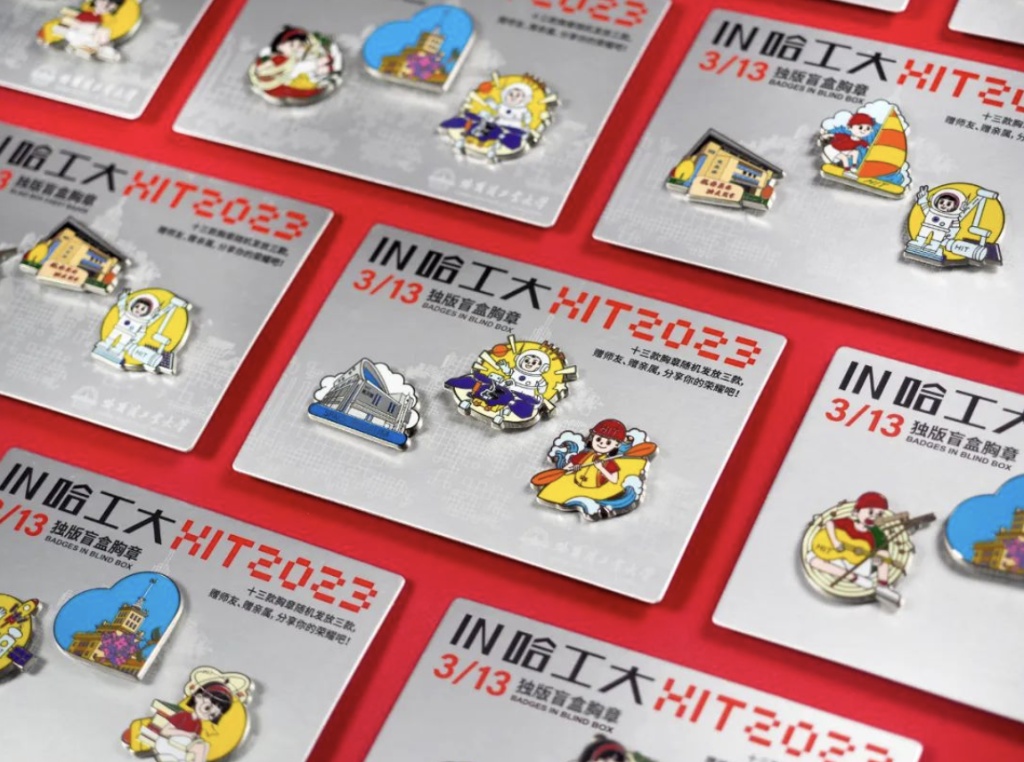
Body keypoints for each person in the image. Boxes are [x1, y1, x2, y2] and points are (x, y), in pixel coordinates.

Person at [806, 491, 901, 606]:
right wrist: (835, 541)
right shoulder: (847, 523)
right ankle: (851, 577)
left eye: (879, 514)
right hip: (834, 557)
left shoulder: (876, 535)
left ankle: (883, 586)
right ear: (856, 512)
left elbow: (878, 556)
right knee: (812, 560)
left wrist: (877, 562)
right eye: (870, 512)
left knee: (883, 555)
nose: (874, 517)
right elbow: (830, 524)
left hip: (858, 564)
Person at [151, 682, 234, 762]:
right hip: (167, 743)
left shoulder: (198, 725)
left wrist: (195, 738)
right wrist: (188, 734)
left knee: (206, 745)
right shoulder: (184, 716)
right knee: (200, 748)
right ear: (198, 698)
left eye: (212, 715)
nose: (207, 715)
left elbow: (192, 739)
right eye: (207, 708)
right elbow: (165, 731)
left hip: (181, 747)